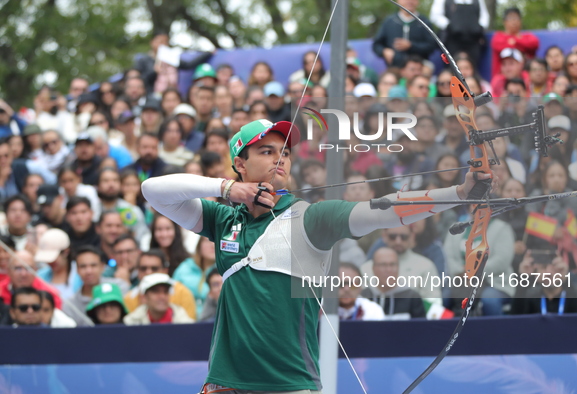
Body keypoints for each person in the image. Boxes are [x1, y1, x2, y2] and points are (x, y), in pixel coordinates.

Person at [141, 118, 490, 392]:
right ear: (240, 163)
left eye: (285, 152)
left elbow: (384, 210)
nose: (280, 157)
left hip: (288, 385)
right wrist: (225, 188)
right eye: (265, 151)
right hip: (225, 383)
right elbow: (152, 190)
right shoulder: (222, 220)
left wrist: (458, 192)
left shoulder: (311, 218)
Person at [63, 245, 129, 326]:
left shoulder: (121, 287)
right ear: (76, 269)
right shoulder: (71, 305)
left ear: (102, 266)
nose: (88, 271)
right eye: (83, 266)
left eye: (93, 265)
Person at [124, 249, 196, 320]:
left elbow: (188, 328)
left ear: (165, 270)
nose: (148, 272)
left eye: (154, 268)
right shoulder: (129, 297)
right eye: (143, 268)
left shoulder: (183, 293)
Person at [511, 251, 577, 314]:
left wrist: (566, 278)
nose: (548, 272)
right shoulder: (530, 295)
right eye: (543, 267)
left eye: (554, 267)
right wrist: (524, 278)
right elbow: (516, 318)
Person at [360, 248, 425, 319]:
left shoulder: (412, 297)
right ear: (373, 268)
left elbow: (420, 328)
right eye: (383, 265)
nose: (389, 270)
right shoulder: (363, 297)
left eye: (392, 264)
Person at [372, 0, 437, 69]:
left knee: (427, 70)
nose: (409, 1)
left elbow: (431, 46)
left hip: (420, 65)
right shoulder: (389, 21)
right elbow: (376, 44)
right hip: (395, 65)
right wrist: (384, 51)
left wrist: (411, 46)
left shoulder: (424, 22)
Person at [429, 0, 489, 66]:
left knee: (473, 66)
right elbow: (435, 15)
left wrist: (478, 27)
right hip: (452, 39)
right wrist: (450, 26)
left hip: (473, 40)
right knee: (451, 66)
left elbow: (484, 16)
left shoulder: (478, 1)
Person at [123, 272, 195, 325]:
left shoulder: (186, 323)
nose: (162, 297)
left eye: (165, 292)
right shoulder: (130, 323)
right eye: (156, 291)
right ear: (144, 297)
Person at [490, 7, 539, 77]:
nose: (514, 21)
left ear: (520, 21)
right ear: (504, 22)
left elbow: (534, 43)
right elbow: (498, 45)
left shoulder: (528, 36)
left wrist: (515, 41)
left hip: (525, 80)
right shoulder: (498, 36)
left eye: (516, 18)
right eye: (510, 18)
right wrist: (523, 45)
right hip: (502, 79)